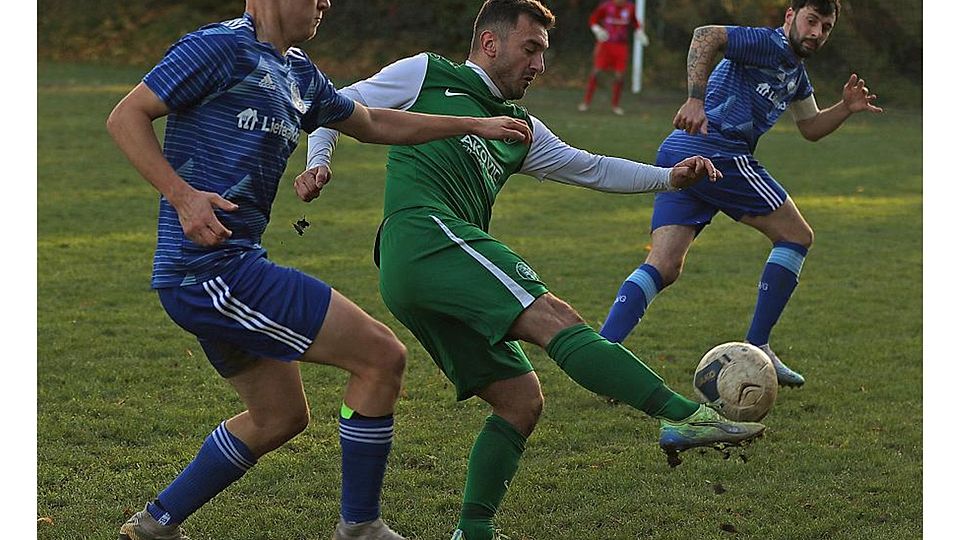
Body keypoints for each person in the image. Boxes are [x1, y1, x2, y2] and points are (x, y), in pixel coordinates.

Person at [300, 1, 765, 538]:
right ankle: (681, 415)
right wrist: (319, 161)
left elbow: (590, 168)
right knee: (553, 316)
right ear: (491, 43)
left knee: (520, 400)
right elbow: (336, 105)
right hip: (425, 235)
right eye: (531, 49)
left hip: (421, 267)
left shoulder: (520, 129)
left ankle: (473, 530)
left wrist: (669, 179)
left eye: (544, 53)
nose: (539, 65)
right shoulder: (428, 73)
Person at [105, 0, 533, 538]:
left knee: (278, 417)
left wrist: (474, 124)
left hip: (225, 269)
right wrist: (183, 197)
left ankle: (155, 523)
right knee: (381, 357)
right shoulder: (219, 47)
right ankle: (359, 528)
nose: (325, 3)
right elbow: (126, 115)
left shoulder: (297, 71)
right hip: (210, 271)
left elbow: (374, 122)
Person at [599, 0, 882, 387]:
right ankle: (759, 344)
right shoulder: (767, 44)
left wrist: (846, 108)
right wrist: (694, 99)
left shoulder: (795, 74)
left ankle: (600, 355)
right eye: (811, 21)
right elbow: (706, 36)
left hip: (683, 150)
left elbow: (811, 127)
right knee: (796, 236)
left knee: (664, 266)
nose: (816, 32)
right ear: (790, 17)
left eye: (826, 27)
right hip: (719, 151)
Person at [577, 0, 646, 115]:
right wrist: (597, 29)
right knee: (596, 72)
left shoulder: (630, 8)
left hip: (621, 46)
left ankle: (615, 105)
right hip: (606, 44)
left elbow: (635, 22)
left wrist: (639, 32)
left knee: (619, 76)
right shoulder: (606, 6)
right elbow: (593, 19)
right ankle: (586, 102)